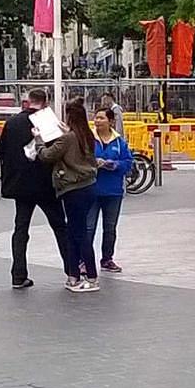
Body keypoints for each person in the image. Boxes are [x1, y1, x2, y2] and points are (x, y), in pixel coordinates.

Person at [0, 88, 71, 290]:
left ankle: (18, 274)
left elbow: (1, 151)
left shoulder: (12, 123)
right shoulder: (47, 122)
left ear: (27, 102)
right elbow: (58, 150)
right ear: (45, 103)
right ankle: (71, 270)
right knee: (60, 227)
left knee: (21, 229)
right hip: (46, 184)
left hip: (21, 186)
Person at [35, 102, 100, 292]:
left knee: (77, 233)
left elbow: (47, 155)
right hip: (88, 186)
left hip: (72, 188)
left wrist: (39, 140)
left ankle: (90, 275)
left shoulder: (68, 139)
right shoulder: (86, 136)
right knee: (74, 232)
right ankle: (74, 275)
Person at [88, 106, 134, 273]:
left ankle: (107, 259)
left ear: (111, 121)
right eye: (96, 117)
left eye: (101, 118)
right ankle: (84, 261)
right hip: (91, 190)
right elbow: (81, 159)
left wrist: (113, 165)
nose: (97, 121)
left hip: (113, 192)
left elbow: (128, 163)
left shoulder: (120, 142)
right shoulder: (88, 139)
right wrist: (94, 162)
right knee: (89, 227)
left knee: (110, 227)